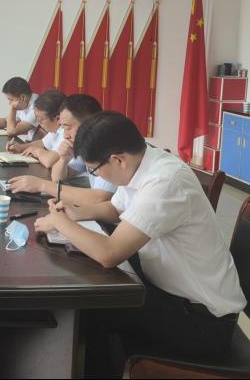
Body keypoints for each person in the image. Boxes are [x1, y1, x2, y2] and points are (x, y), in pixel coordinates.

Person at [34, 111, 246, 376]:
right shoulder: (142, 161)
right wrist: (76, 213)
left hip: (202, 321)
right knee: (96, 297)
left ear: (117, 160)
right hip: (172, 292)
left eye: (94, 169)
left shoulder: (165, 181)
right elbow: (116, 208)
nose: (96, 175)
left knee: (94, 310)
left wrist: (59, 222)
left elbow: (109, 253)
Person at [7, 94, 116, 206]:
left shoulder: (108, 147)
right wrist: (64, 159)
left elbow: (100, 198)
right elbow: (57, 178)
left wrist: (41, 185)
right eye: (63, 128)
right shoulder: (85, 146)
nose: (65, 135)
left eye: (68, 128)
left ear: (89, 124)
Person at [6, 89, 66, 168]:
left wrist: (37, 151)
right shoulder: (55, 130)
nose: (39, 123)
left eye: (41, 119)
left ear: (57, 119)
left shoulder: (66, 132)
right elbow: (43, 143)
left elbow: (49, 162)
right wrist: (20, 147)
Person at [0, 77, 40, 142]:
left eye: (11, 100)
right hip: (31, 143)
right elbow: (6, 121)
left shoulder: (37, 106)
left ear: (22, 98)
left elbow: (11, 131)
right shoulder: (24, 102)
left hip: (38, 146)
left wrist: (13, 108)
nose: (9, 103)